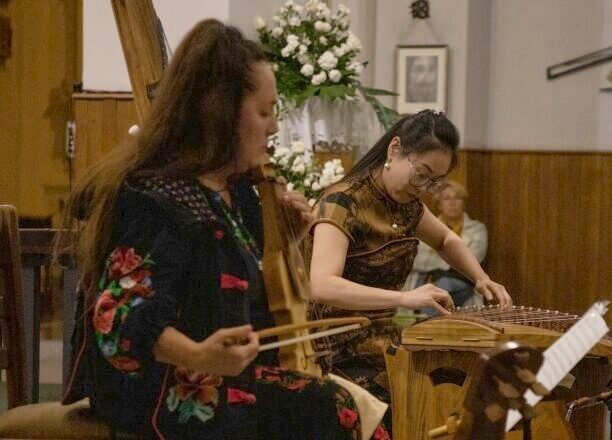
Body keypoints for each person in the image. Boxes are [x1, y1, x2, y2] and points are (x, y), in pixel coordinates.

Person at [58, 19, 388, 440]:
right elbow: (120, 317)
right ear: (223, 113)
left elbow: (236, 294)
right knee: (333, 408)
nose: (272, 128)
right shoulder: (159, 198)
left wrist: (284, 241)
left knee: (356, 404)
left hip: (219, 375)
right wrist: (198, 355)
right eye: (264, 113)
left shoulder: (235, 192)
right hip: (157, 388)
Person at [306, 109, 512, 430]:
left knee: (458, 385)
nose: (423, 187)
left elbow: (445, 239)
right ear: (395, 149)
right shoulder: (343, 201)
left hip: (383, 342)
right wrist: (403, 299)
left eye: (433, 182)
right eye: (422, 173)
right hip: (335, 349)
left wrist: (481, 278)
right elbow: (321, 284)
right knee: (423, 404)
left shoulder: (408, 205)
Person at [403, 180, 488, 312]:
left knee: (440, 287)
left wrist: (436, 260)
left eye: (457, 198)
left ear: (463, 203)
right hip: (424, 279)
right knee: (430, 289)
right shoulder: (424, 226)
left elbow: (475, 258)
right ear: (439, 204)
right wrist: (451, 260)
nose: (452, 202)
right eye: (446, 198)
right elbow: (414, 259)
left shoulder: (477, 229)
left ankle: (428, 326)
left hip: (460, 280)